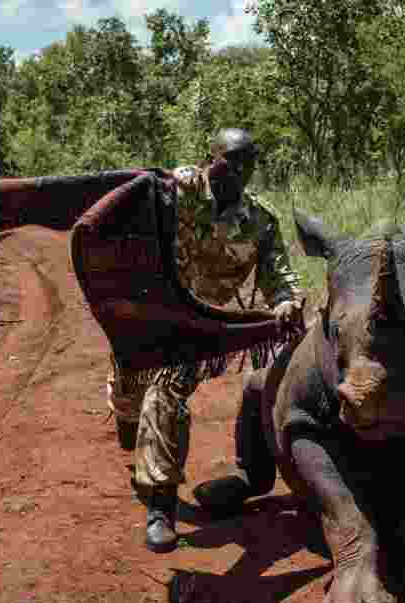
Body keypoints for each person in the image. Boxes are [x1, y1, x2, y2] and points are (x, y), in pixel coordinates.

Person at [106, 128, 304, 553]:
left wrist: (287, 301)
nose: (239, 169)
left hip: (198, 326)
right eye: (230, 159)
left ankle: (160, 507)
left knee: (165, 393)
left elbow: (278, 276)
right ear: (208, 158)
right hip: (148, 312)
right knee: (130, 391)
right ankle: (126, 415)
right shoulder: (172, 191)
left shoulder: (260, 220)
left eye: (248, 161)